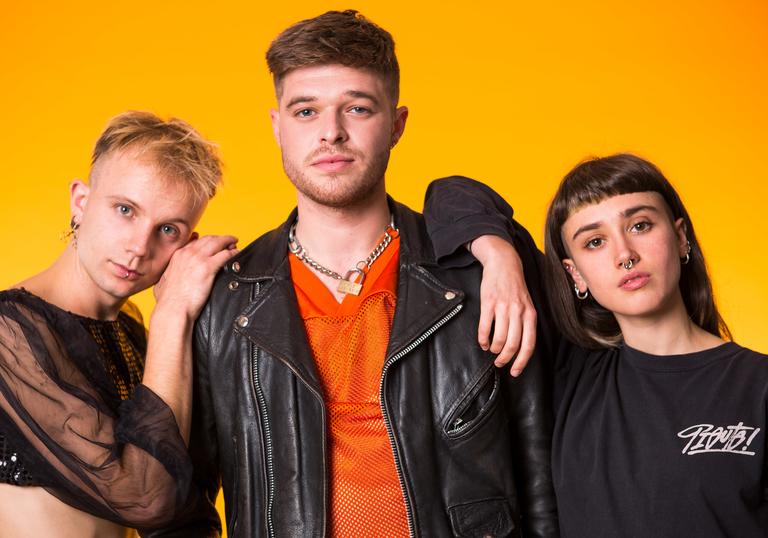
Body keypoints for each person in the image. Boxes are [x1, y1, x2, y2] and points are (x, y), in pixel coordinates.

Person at [147, 10, 558, 538]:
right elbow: (180, 502)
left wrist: (501, 254)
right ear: (277, 127)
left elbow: (541, 472)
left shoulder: (480, 277)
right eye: (305, 111)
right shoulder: (223, 300)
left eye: (357, 108)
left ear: (397, 123)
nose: (331, 133)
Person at [425, 154, 768, 537]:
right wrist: (501, 258)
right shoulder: (574, 373)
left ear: (681, 236)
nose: (625, 255)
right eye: (595, 242)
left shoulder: (758, 386)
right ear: (575, 274)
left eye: (640, 225)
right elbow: (449, 194)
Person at [0, 111, 238, 538]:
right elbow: (144, 498)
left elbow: (185, 493)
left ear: (187, 246)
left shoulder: (129, 328)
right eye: (125, 210)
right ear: (81, 201)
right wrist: (172, 313)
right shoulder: (8, 331)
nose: (139, 246)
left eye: (168, 229)